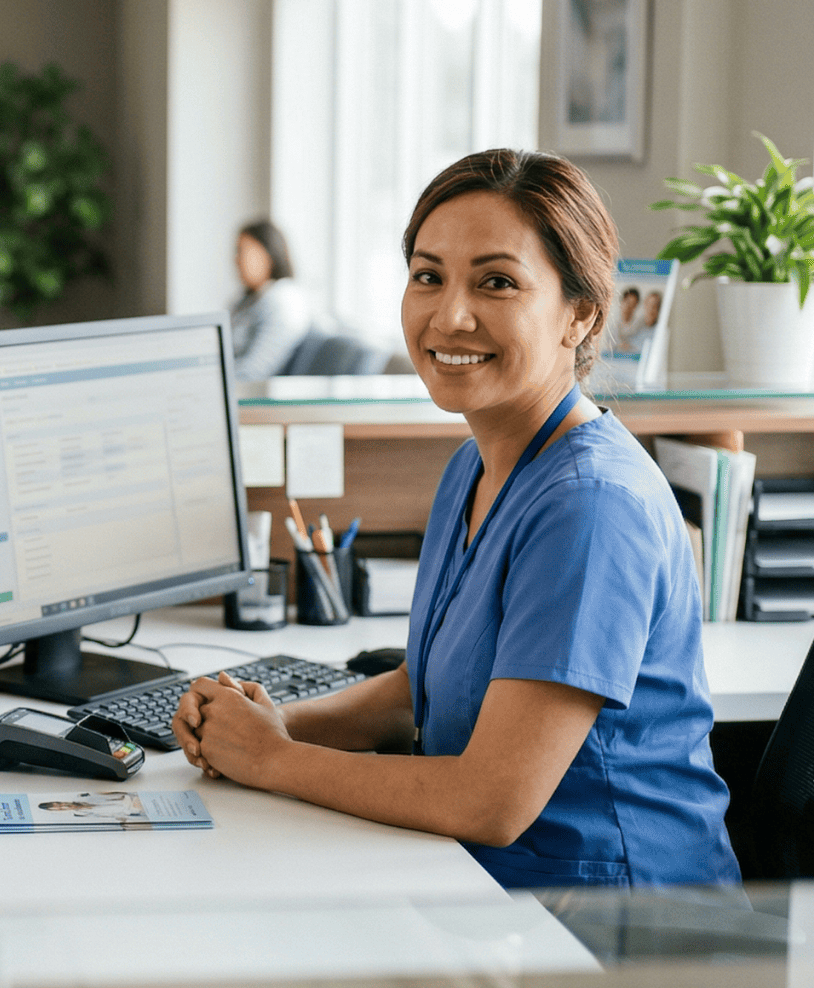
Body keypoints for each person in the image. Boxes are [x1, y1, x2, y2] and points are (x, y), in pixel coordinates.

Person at [174, 149, 740, 889]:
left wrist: (275, 761)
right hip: (489, 886)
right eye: (427, 276)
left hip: (613, 919)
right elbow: (420, 691)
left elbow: (491, 801)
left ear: (581, 313)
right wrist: (260, 725)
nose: (449, 315)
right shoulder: (476, 464)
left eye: (497, 282)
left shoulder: (591, 506)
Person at [228, 220, 311, 382]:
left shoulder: (283, 301)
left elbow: (255, 372)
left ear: (268, 255)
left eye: (243, 252)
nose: (236, 260)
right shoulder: (245, 300)